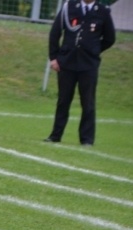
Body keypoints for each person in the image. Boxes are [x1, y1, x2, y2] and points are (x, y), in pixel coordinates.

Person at [44, 0, 115, 146]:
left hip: (88, 65)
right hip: (67, 63)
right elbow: (55, 33)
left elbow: (109, 38)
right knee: (63, 101)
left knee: (88, 103)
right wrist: (54, 58)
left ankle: (87, 139)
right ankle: (55, 135)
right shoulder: (69, 7)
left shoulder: (102, 11)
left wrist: (94, 50)